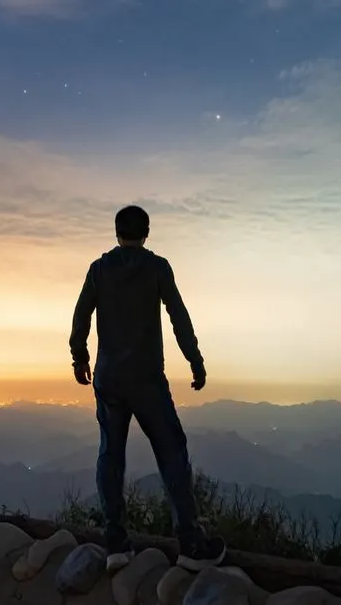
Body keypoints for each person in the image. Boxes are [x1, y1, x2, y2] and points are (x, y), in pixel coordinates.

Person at [69, 205, 227, 573]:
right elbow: (178, 315)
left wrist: (80, 357)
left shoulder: (99, 269)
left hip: (109, 379)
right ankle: (190, 543)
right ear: (147, 232)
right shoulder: (157, 268)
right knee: (172, 452)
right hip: (147, 380)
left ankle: (116, 544)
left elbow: (81, 316)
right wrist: (195, 359)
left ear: (116, 232)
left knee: (111, 455)